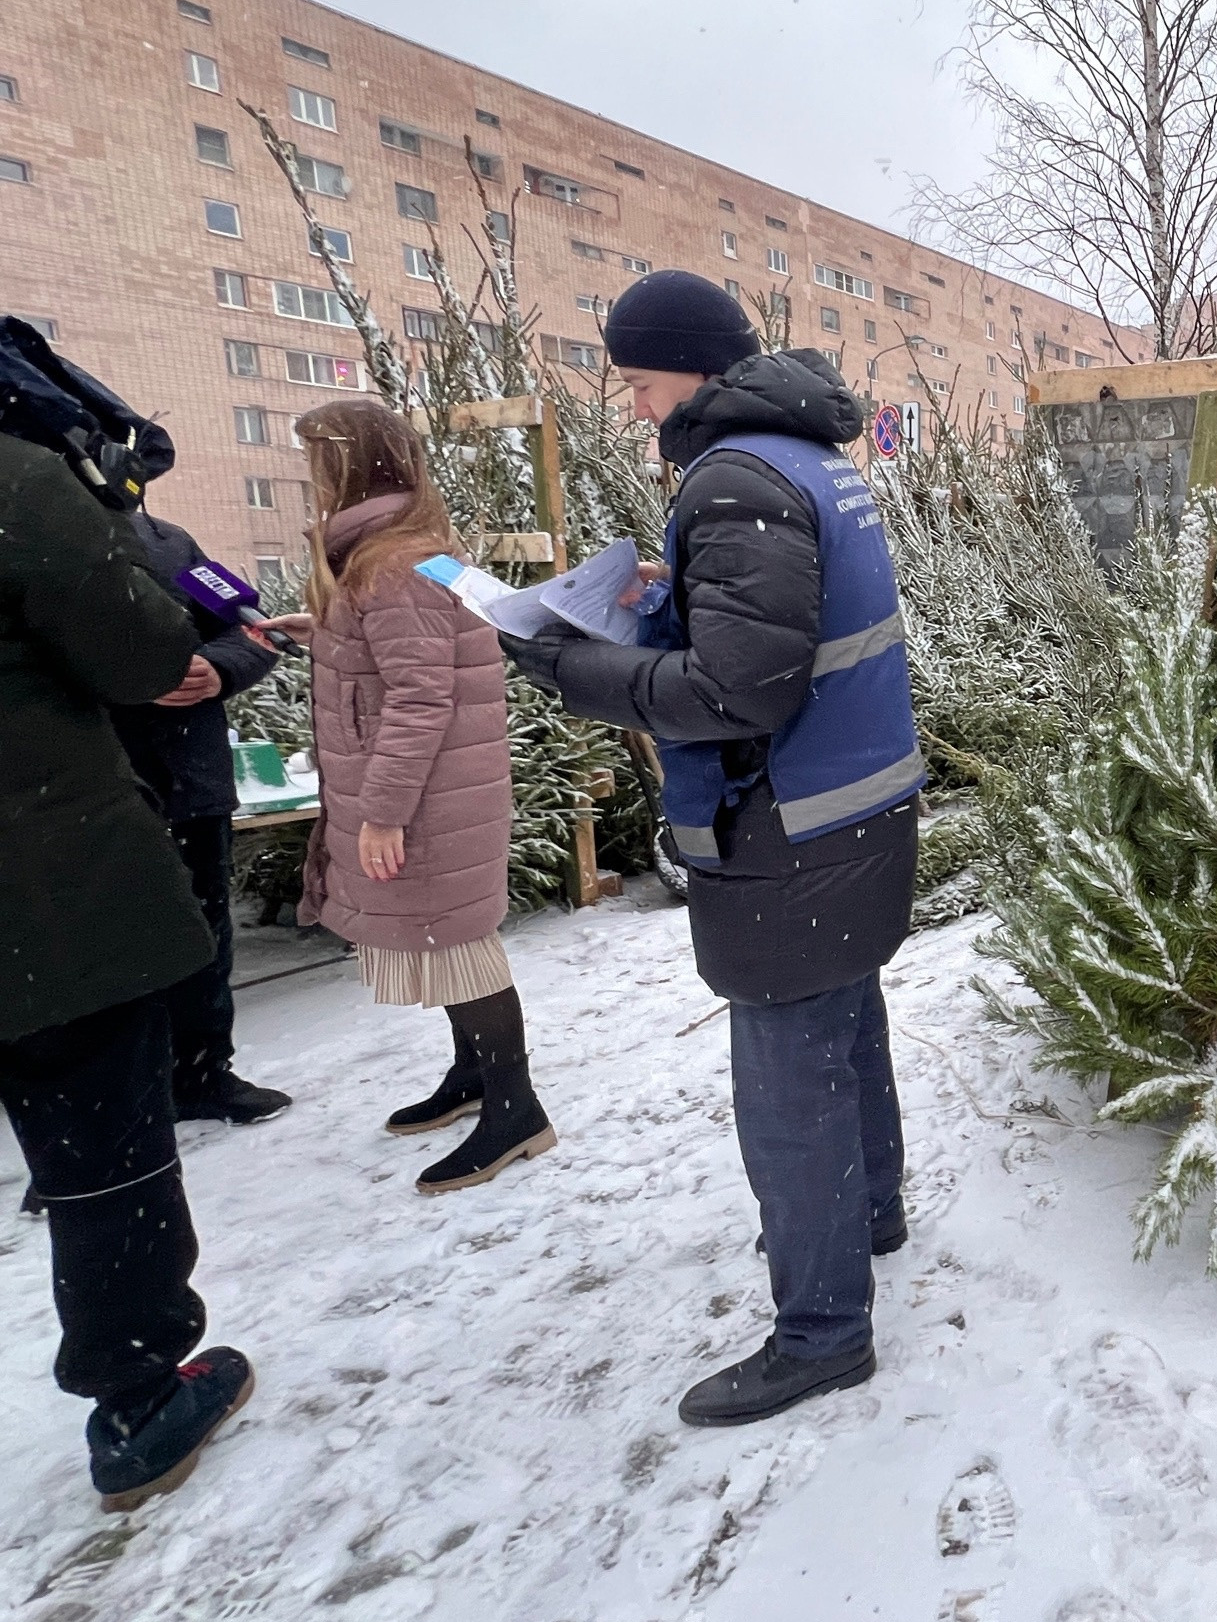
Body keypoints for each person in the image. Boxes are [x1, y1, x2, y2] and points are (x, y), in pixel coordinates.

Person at [499, 270, 920, 1428]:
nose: (634, 407)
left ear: (688, 365)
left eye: (637, 382)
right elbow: (791, 627)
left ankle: (822, 1332)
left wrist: (566, 662)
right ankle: (868, 1212)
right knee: (844, 1021)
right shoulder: (806, 454)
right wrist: (668, 597)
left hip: (786, 824)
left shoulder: (734, 479)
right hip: (856, 803)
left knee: (788, 1084)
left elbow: (739, 692)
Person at [1, 426, 256, 1511]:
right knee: (107, 1149)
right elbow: (143, 647)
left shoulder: (178, 537)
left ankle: (209, 1067)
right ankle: (139, 1392)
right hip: (46, 890)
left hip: (155, 807)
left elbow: (230, 635)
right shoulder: (25, 486)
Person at [262, 398, 553, 1194]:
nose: (310, 474)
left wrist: (383, 813)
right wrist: (319, 629)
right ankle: (474, 1078)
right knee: (446, 940)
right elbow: (405, 659)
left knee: (460, 945)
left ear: (349, 465)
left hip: (425, 799)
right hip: (435, 789)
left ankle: (515, 1110)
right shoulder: (397, 554)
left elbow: (420, 698)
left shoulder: (391, 564)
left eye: (317, 458)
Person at [108, 422, 292, 1124]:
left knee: (203, 935)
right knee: (107, 952)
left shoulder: (174, 547)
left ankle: (204, 1074)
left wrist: (218, 670)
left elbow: (256, 629)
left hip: (190, 783)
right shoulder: (39, 557)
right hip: (90, 794)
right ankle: (109, 1112)